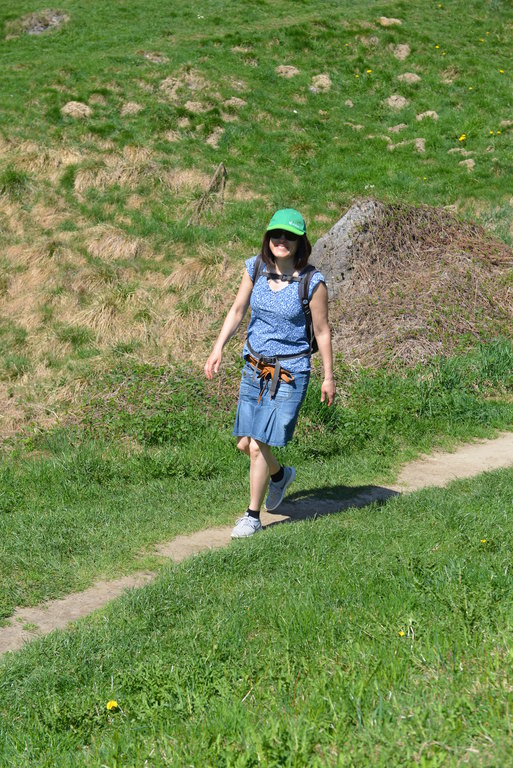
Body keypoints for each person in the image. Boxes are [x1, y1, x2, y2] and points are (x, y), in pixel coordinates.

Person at [204, 208, 336, 538]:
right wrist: (218, 347)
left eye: (290, 236)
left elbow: (322, 331)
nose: (282, 240)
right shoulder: (256, 268)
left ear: (301, 242)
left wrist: (328, 377)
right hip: (255, 365)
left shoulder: (313, 282)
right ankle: (279, 476)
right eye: (277, 234)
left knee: (258, 443)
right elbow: (237, 310)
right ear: (268, 237)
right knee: (244, 443)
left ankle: (252, 516)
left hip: (290, 370)